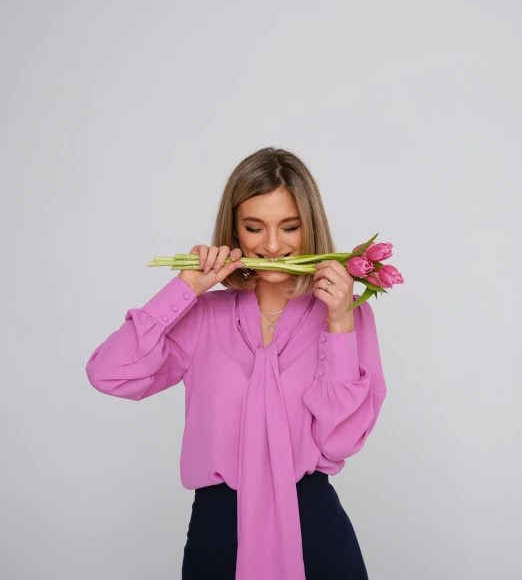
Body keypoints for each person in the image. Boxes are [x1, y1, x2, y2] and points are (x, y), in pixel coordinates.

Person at [85, 146, 387, 580]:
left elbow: (340, 442)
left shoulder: (347, 314)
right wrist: (186, 287)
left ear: (311, 227)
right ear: (234, 230)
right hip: (219, 529)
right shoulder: (203, 316)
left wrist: (339, 323)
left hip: (312, 528)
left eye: (290, 226)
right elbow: (109, 373)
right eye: (253, 227)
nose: (271, 245)